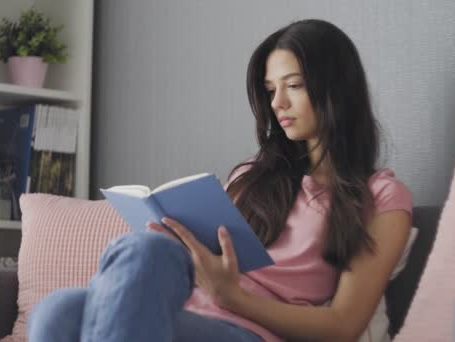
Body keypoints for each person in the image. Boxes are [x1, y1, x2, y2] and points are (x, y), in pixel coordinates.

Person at [28, 18, 412, 342]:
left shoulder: (382, 197)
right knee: (63, 305)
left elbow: (344, 325)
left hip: (248, 330)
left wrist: (232, 298)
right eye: (270, 90)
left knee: (143, 257)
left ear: (335, 90)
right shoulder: (253, 175)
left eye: (293, 85)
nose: (277, 103)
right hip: (185, 309)